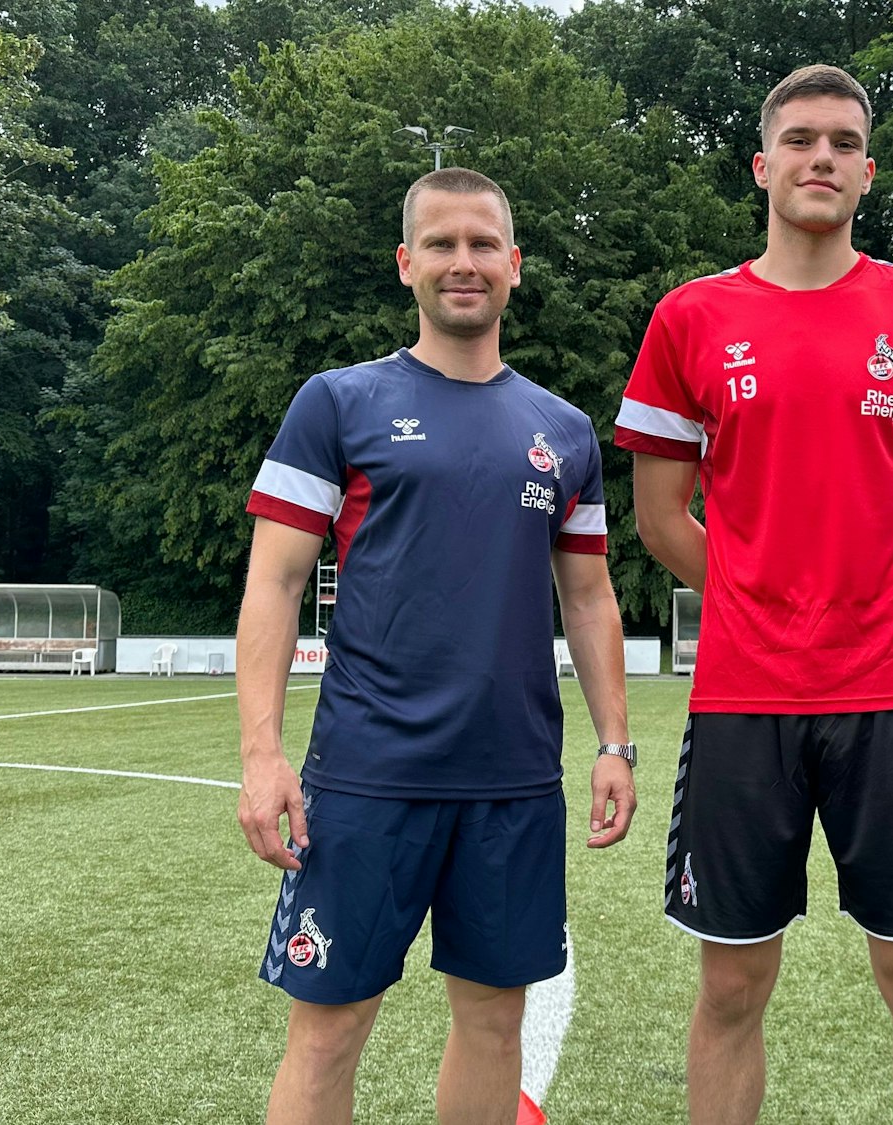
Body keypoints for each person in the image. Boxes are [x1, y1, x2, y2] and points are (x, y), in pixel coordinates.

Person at [614, 64, 893, 1125]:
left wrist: (860, 593)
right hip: (743, 696)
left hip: (889, 692)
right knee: (731, 983)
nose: (821, 158)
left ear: (867, 171)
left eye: (843, 142)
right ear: (762, 165)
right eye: (799, 140)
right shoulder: (690, 316)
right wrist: (764, 598)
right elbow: (660, 518)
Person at [235, 167, 636, 1125]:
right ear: (405, 263)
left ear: (515, 265)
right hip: (367, 774)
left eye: (483, 244)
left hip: (513, 779)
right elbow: (275, 583)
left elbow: (588, 597)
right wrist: (261, 755)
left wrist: (615, 743)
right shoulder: (338, 403)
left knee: (495, 1022)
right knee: (329, 1028)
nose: (465, 262)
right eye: (442, 244)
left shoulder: (565, 431)